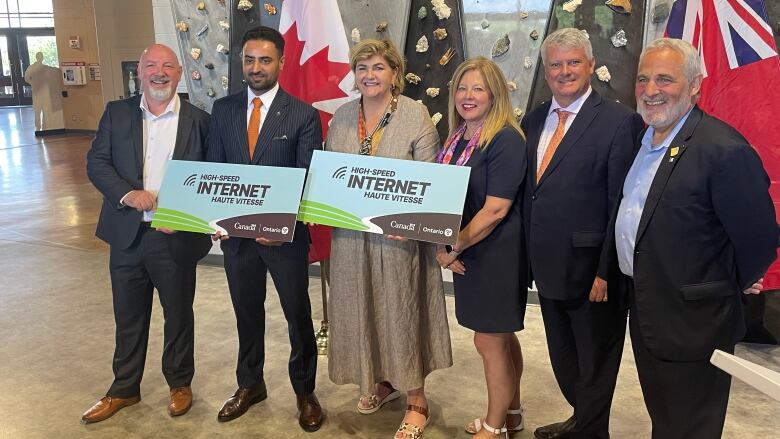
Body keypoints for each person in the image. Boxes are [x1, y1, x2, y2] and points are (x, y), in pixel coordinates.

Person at [608, 37, 779, 438]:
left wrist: (725, 284)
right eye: (643, 79)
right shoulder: (643, 138)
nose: (651, 91)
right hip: (649, 310)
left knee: (692, 426)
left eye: (664, 80)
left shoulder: (722, 150)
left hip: (696, 323)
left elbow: (759, 238)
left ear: (694, 86)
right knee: (665, 419)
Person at [325, 38, 453, 439]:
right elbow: (333, 177)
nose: (369, 76)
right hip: (351, 239)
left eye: (378, 68)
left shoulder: (416, 116)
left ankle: (416, 395)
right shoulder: (342, 117)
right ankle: (382, 381)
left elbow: (432, 183)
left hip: (399, 239)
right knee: (362, 307)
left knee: (400, 309)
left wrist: (412, 223)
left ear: (395, 73)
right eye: (362, 69)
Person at [520, 28, 644, 439]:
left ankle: (591, 431)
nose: (564, 71)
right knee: (565, 360)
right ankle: (583, 421)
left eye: (573, 62)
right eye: (555, 64)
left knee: (594, 364)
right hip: (548, 267)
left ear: (591, 65)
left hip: (594, 274)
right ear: (546, 69)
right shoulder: (534, 118)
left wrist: (606, 271)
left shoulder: (620, 121)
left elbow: (619, 204)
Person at [82, 43, 212, 423]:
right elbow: (97, 162)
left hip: (174, 237)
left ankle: (180, 383)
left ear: (179, 74)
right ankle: (123, 388)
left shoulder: (199, 120)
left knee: (178, 314)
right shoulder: (117, 113)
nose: (160, 72)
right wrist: (127, 194)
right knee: (128, 316)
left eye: (168, 66)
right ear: (139, 71)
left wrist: (187, 215)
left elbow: (209, 178)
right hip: (126, 236)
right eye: (152, 65)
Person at [206, 26, 324, 432]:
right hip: (237, 240)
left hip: (284, 240)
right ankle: (250, 384)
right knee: (246, 314)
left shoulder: (303, 115)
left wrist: (282, 224)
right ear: (241, 62)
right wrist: (216, 221)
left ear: (281, 63)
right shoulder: (221, 111)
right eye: (250, 60)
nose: (256, 67)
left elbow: (307, 177)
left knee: (297, 316)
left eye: (265, 60)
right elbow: (215, 173)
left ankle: (305, 391)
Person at [437, 57, 526, 439]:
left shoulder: (504, 137)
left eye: (478, 88)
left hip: (495, 254)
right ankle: (513, 413)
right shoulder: (459, 136)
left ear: (495, 94)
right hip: (471, 249)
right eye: (462, 88)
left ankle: (493, 427)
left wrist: (452, 248)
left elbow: (495, 208)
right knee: (502, 337)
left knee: (487, 340)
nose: (467, 96)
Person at [24, 52, 63, 131]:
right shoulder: (34, 68)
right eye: (40, 57)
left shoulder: (37, 68)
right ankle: (40, 126)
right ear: (40, 58)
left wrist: (32, 83)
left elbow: (27, 78)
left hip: (42, 93)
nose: (40, 58)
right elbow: (27, 78)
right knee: (40, 110)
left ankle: (42, 126)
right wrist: (33, 83)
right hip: (39, 93)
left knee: (42, 110)